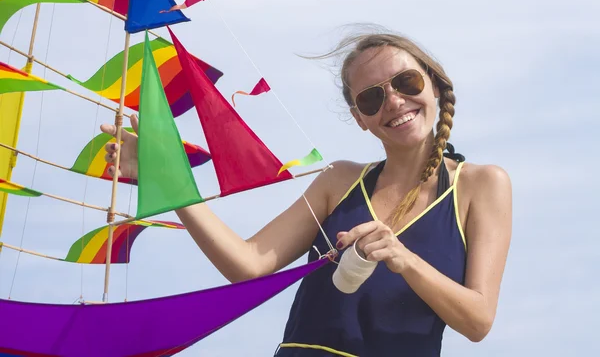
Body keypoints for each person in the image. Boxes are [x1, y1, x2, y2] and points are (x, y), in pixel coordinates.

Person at [101, 30, 512, 357]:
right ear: (359, 119)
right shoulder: (339, 181)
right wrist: (166, 179)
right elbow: (247, 264)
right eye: (371, 97)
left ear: (435, 85)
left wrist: (403, 258)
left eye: (406, 81)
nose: (393, 100)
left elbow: (478, 320)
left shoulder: (481, 184)